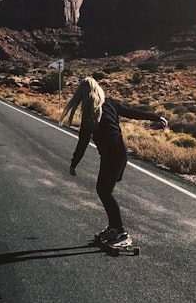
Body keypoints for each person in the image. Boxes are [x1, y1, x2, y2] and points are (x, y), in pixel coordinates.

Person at [62, 76, 167, 248]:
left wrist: (74, 163)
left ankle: (120, 230)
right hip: (115, 154)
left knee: (104, 191)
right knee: (104, 190)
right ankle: (114, 227)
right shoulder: (108, 103)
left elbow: (82, 141)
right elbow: (132, 112)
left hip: (114, 155)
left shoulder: (92, 112)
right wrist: (155, 117)